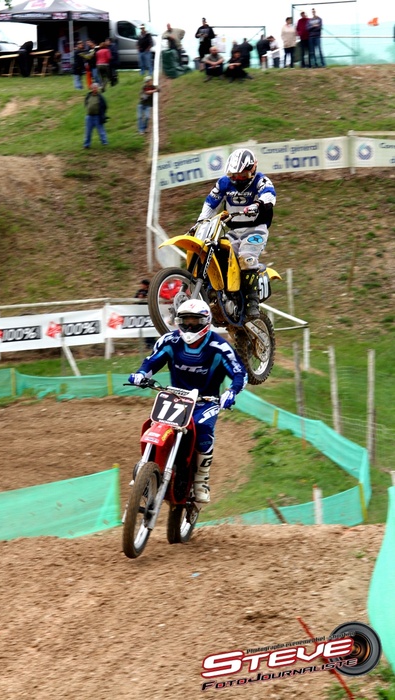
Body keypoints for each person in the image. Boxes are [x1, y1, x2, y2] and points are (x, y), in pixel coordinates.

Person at [128, 299, 248, 503]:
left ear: (206, 322)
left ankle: (201, 480)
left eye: (195, 321)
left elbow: (240, 373)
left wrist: (231, 392)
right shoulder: (170, 341)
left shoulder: (219, 347)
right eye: (186, 321)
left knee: (202, 429)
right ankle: (146, 464)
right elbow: (152, 361)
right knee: (154, 424)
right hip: (175, 398)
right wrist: (141, 374)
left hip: (206, 401)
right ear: (179, 321)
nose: (190, 326)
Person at [195, 148, 276, 321]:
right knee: (216, 253)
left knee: (246, 257)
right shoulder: (224, 183)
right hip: (233, 231)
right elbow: (210, 203)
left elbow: (270, 195)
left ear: (253, 169)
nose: (237, 179)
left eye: (242, 175)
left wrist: (258, 204)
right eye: (234, 175)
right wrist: (201, 221)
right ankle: (219, 296)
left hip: (256, 229)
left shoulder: (261, 180)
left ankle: (252, 303)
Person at [83, 82, 108, 149]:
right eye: (93, 88)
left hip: (97, 116)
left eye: (96, 88)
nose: (94, 89)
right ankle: (86, 145)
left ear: (97, 89)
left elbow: (105, 106)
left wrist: (102, 114)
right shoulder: (88, 95)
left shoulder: (100, 97)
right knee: (88, 132)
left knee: (101, 131)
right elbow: (86, 103)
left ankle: (105, 143)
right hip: (89, 116)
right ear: (91, 88)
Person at [134, 279, 156, 350]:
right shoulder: (140, 291)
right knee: (145, 327)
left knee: (151, 327)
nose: (141, 286)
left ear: (146, 285)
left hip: (150, 312)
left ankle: (152, 342)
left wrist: (146, 297)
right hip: (142, 312)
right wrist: (139, 297)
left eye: (142, 284)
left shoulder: (151, 291)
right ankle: (147, 343)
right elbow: (134, 299)